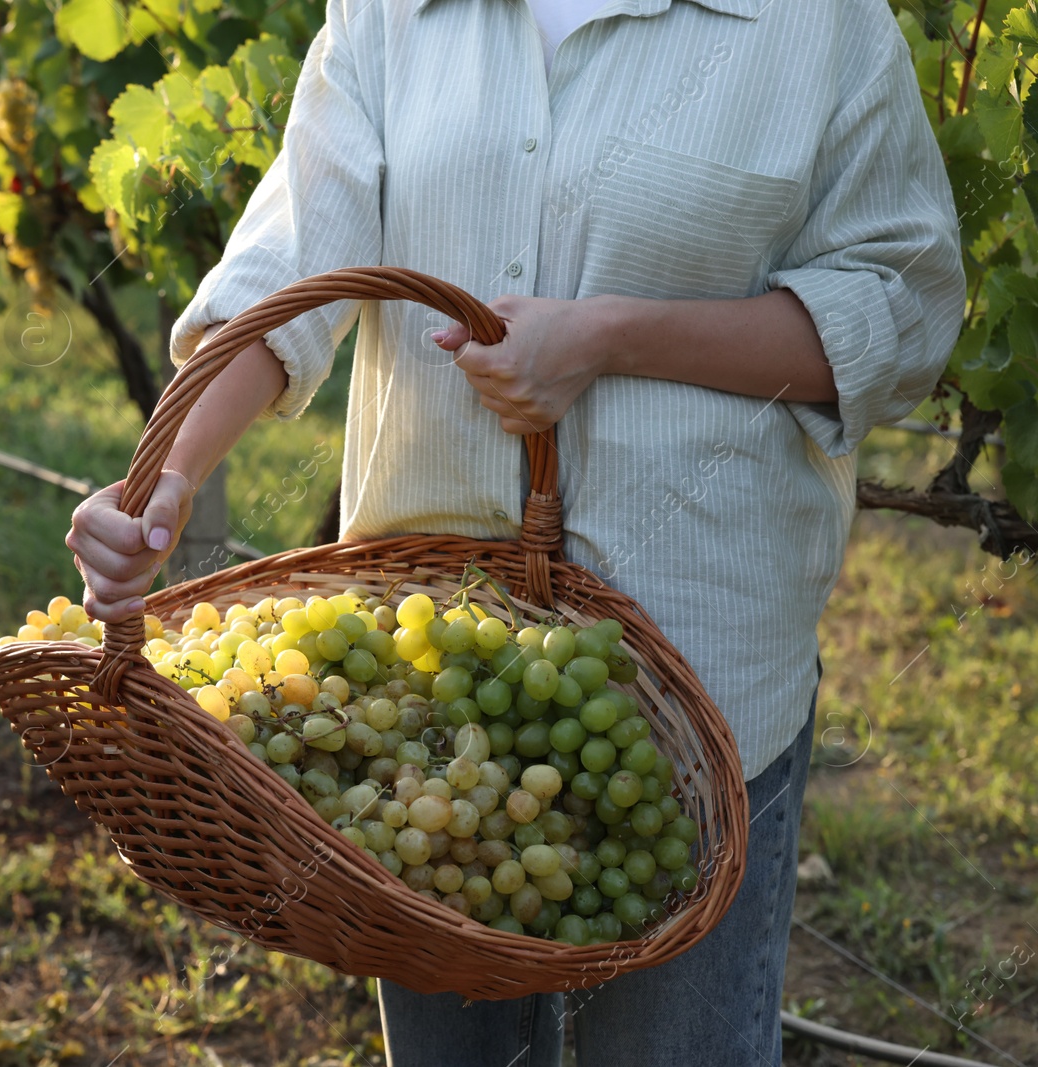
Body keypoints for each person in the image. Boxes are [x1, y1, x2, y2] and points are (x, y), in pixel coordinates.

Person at [65, 0, 964, 1060]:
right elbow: (289, 270)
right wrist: (166, 477)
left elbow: (900, 312)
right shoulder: (391, 12)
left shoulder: (818, 26)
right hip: (426, 699)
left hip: (701, 692)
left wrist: (610, 335)